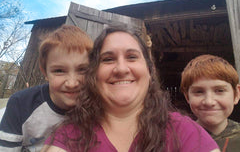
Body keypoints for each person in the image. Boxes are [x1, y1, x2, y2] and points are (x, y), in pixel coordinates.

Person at [42, 26, 220, 152]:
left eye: (132, 57)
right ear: (94, 75)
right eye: (108, 59)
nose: (121, 69)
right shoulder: (69, 135)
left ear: (150, 71)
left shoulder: (183, 131)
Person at [0, 25, 93, 152]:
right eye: (59, 71)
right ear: (45, 72)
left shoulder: (95, 108)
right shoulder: (21, 104)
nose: (72, 83)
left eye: (82, 70)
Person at [181, 54, 240, 152]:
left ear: (236, 94)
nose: (209, 102)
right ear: (187, 96)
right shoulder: (178, 140)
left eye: (220, 90)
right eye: (199, 92)